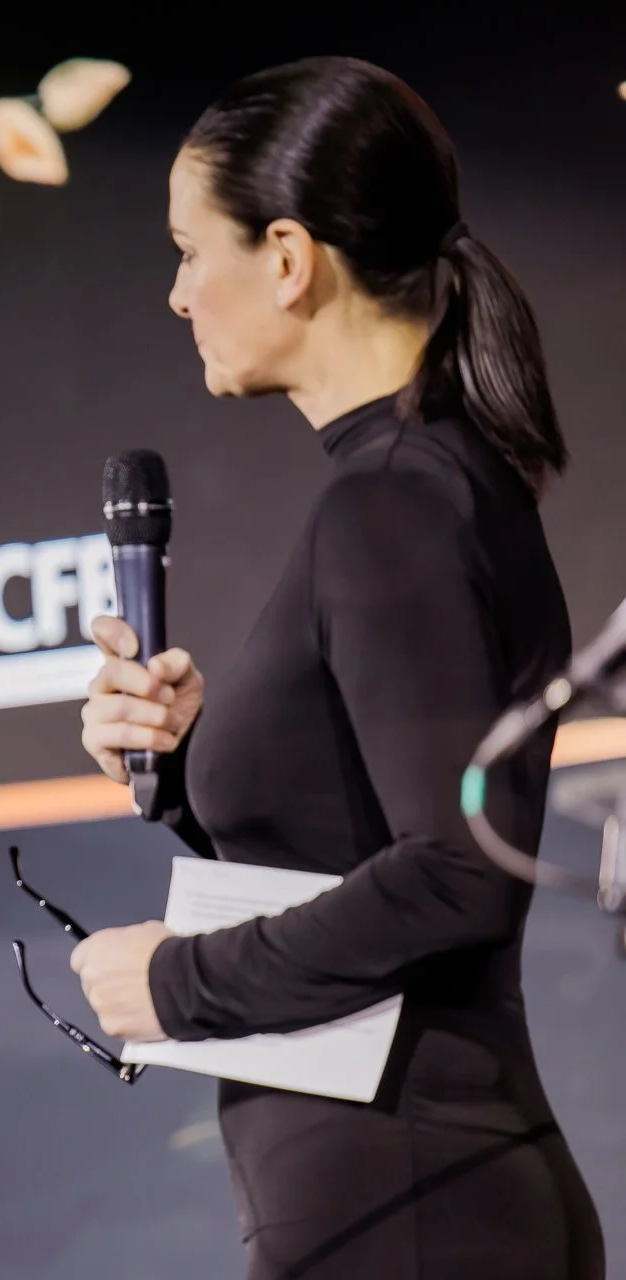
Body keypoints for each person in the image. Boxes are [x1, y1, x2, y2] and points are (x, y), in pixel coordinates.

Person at [69, 58, 604, 1280]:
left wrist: (179, 981)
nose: (177, 293)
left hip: (416, 1210)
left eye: (189, 251)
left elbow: (460, 872)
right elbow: (372, 835)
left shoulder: (394, 501)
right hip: (417, 1200)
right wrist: (187, 766)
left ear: (288, 258)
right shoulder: (429, 482)